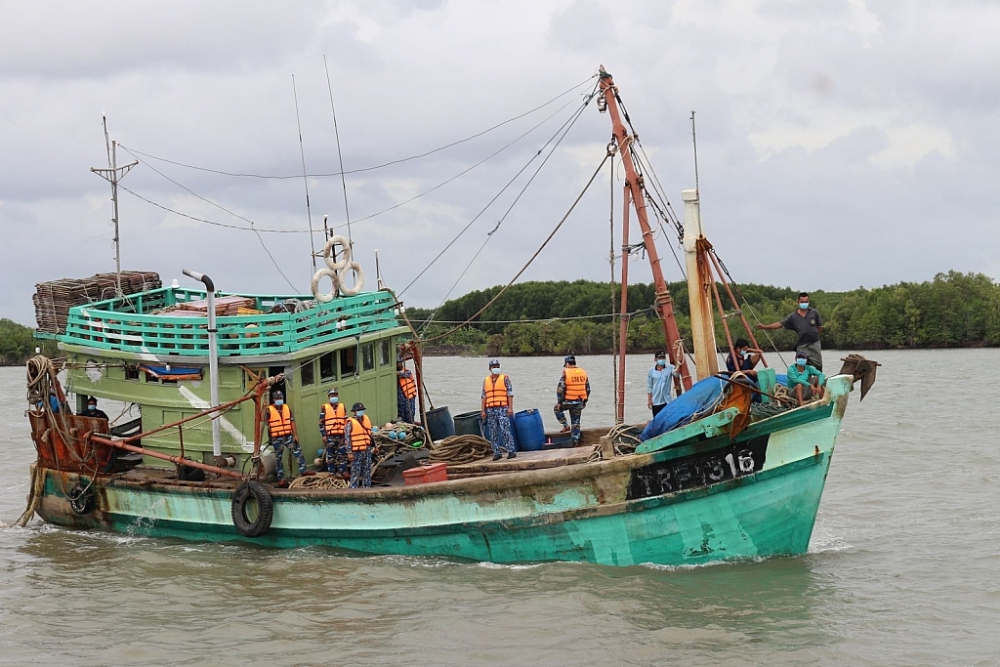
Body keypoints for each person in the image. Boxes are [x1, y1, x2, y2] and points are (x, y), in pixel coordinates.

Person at [757, 292, 824, 370]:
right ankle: (803, 380)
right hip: (802, 344)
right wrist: (765, 326)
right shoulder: (793, 316)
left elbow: (820, 327)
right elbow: (780, 324)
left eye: (806, 302)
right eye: (802, 302)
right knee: (801, 364)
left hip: (814, 342)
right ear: (798, 302)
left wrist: (813, 334)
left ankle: (819, 380)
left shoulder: (814, 312)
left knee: (818, 364)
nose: (804, 303)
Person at [267, 390, 312, 488]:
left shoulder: (287, 408)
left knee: (298, 452)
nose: (279, 400)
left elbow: (292, 422)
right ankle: (281, 479)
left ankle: (303, 471)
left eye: (281, 398)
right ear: (274, 399)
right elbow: (263, 420)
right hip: (276, 438)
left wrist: (295, 434)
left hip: (288, 436)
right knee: (278, 459)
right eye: (277, 398)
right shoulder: (268, 410)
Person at [481, 358, 516, 461]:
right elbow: (483, 396)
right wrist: (483, 410)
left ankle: (511, 450)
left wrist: (510, 408)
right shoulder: (486, 380)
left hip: (502, 408)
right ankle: (496, 452)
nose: (496, 368)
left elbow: (510, 394)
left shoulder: (505, 378)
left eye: (497, 366)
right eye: (493, 367)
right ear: (489, 368)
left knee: (505, 430)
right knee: (493, 432)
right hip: (490, 409)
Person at [554, 355, 590, 446]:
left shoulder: (566, 373)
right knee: (576, 423)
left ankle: (565, 426)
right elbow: (588, 389)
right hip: (579, 401)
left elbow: (560, 389)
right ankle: (575, 442)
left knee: (557, 409)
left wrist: (559, 402)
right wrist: (585, 401)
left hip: (568, 401)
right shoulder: (583, 372)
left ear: (567, 363)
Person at [319, 387, 348, 477]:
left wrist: (346, 435)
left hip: (341, 435)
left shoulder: (343, 406)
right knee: (330, 454)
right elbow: (321, 423)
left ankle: (343, 470)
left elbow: (346, 421)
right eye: (332, 395)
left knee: (342, 454)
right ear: (329, 397)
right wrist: (324, 435)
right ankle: (331, 472)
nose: (334, 397)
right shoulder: (324, 408)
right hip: (330, 435)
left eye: (335, 395)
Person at [345, 401, 374, 488]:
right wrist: (349, 452)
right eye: (359, 410)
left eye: (362, 410)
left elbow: (370, 434)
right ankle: (353, 490)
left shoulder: (366, 419)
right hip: (356, 451)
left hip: (366, 450)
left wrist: (374, 446)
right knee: (355, 472)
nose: (361, 412)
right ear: (354, 411)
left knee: (367, 471)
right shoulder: (350, 422)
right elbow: (347, 438)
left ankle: (367, 489)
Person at [646, 352, 679, 417]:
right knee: (657, 419)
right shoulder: (651, 371)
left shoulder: (670, 368)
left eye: (663, 357)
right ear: (655, 359)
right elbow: (649, 386)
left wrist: (679, 363)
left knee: (668, 418)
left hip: (667, 400)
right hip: (656, 401)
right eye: (659, 357)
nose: (661, 359)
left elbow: (676, 374)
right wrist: (649, 399)